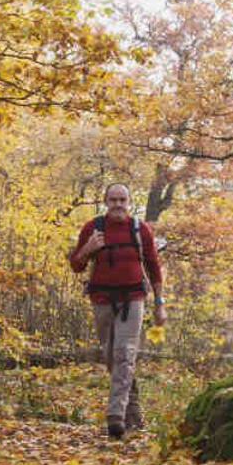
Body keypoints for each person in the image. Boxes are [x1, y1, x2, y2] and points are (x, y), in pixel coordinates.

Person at [68, 183, 166, 439]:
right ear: (105, 201)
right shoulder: (93, 228)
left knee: (125, 354)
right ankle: (133, 412)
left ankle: (115, 417)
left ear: (130, 202)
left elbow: (154, 266)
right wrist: (88, 249)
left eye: (122, 199)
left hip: (133, 299)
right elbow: (76, 266)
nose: (118, 204)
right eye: (113, 200)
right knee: (112, 358)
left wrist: (159, 303)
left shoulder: (140, 229)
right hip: (101, 299)